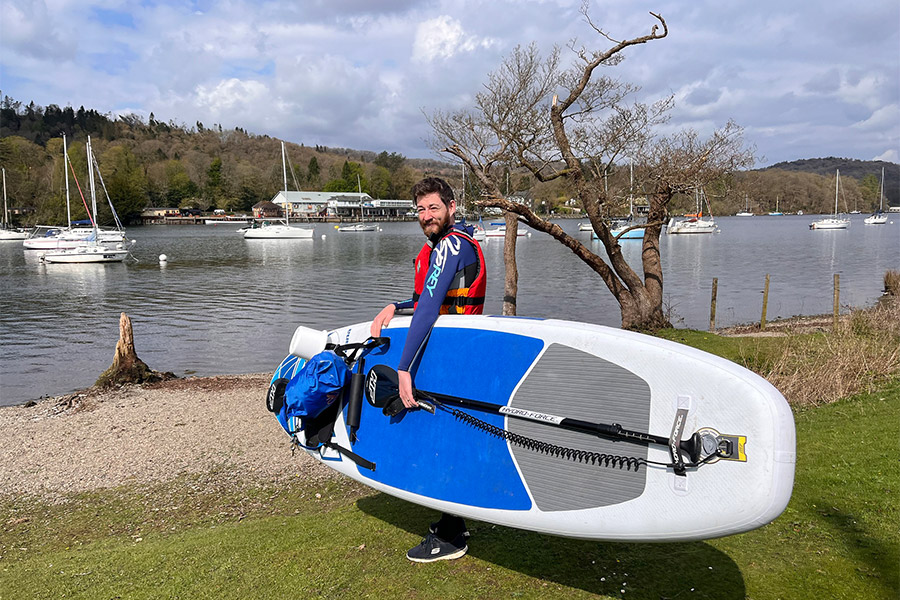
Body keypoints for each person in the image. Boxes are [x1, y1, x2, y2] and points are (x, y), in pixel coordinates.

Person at [370, 176, 486, 563]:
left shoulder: (451, 244)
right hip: (452, 350)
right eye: (420, 210)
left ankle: (452, 536)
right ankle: (456, 522)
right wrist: (395, 306)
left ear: (452, 208)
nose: (426, 216)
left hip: (449, 355)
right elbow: (423, 298)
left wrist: (403, 367)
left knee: (444, 439)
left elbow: (431, 305)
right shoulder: (445, 246)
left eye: (433, 207)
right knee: (450, 433)